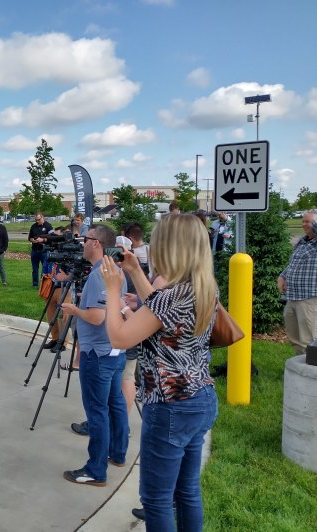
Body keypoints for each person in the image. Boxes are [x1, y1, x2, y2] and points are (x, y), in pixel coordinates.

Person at [100, 213, 219, 530]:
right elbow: (158, 307)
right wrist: (136, 270)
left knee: (157, 499)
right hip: (200, 397)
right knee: (187, 492)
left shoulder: (170, 297)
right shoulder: (202, 287)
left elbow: (119, 336)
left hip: (170, 406)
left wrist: (113, 290)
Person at [61, 224, 128, 487]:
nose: (83, 243)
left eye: (86, 239)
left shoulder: (98, 275)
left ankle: (96, 470)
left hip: (97, 354)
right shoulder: (113, 270)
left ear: (97, 243)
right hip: (114, 350)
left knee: (97, 412)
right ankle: (117, 453)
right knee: (115, 404)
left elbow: (98, 316)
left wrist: (74, 310)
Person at [278, 209, 317, 355]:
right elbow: (293, 263)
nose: (305, 224)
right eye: (303, 221)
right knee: (295, 339)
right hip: (292, 297)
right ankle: (300, 368)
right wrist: (283, 276)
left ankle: (310, 373)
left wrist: (315, 224)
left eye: (309, 221)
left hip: (308, 299)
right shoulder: (302, 241)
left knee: (309, 340)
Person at [28, 212, 53, 287]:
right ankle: (35, 284)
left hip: (44, 251)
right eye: (36, 220)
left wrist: (42, 240)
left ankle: (43, 284)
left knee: (44, 268)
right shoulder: (33, 226)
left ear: (43, 218)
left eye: (38, 219)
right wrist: (33, 240)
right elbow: (30, 237)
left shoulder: (48, 226)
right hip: (35, 250)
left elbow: (52, 238)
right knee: (35, 269)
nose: (37, 221)